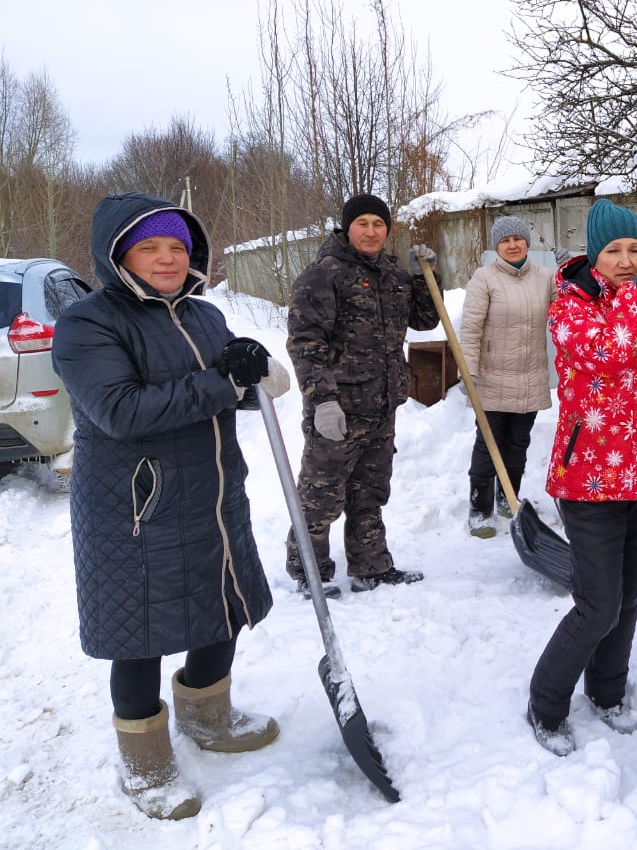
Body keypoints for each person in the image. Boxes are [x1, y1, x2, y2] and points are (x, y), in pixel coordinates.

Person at [51, 194, 291, 820]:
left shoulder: (205, 316)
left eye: (177, 247)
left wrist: (258, 373)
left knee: (223, 605)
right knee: (141, 635)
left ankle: (209, 718)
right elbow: (122, 411)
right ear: (119, 255)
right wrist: (224, 383)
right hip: (137, 509)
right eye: (150, 247)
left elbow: (231, 387)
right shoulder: (89, 324)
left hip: (211, 494)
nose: (166, 259)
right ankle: (146, 766)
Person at [526, 198, 637, 756]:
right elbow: (607, 354)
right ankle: (546, 703)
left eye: (636, 249)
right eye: (614, 250)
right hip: (588, 484)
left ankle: (607, 694)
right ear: (593, 254)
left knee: (628, 600)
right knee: (597, 604)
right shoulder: (569, 309)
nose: (627, 260)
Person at [285, 193, 441, 596]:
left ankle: (371, 565)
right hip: (338, 407)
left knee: (369, 490)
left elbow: (424, 320)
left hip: (382, 404)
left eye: (378, 224)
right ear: (347, 227)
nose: (371, 232)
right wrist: (322, 399)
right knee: (322, 494)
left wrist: (425, 276)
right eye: (363, 224)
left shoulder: (392, 274)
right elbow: (306, 342)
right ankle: (309, 570)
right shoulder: (324, 274)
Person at [458, 215, 556, 537]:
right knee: (488, 445)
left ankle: (507, 497)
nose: (512, 245)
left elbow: (569, 311)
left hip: (530, 378)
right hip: (492, 379)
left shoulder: (545, 279)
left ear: (527, 242)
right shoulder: (484, 279)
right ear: (496, 247)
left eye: (517, 238)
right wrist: (467, 370)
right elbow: (470, 330)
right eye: (504, 240)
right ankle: (480, 509)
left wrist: (573, 274)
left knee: (518, 445)